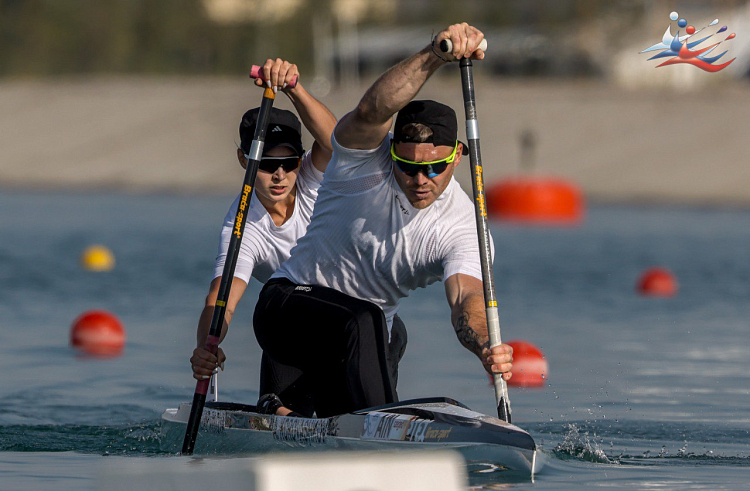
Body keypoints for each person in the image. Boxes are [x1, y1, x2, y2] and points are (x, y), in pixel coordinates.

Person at [252, 23, 513, 419]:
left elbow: (465, 299)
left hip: (354, 344)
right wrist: (436, 55)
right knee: (368, 318)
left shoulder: (464, 226)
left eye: (435, 168)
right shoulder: (361, 161)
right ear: (391, 152)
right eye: (407, 167)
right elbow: (374, 109)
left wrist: (485, 346)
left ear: (458, 156)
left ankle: (288, 408)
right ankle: (380, 429)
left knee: (389, 331)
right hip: (286, 310)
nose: (420, 180)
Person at [189, 59, 410, 417]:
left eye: (289, 163)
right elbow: (222, 300)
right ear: (244, 160)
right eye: (265, 165)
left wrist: (294, 87)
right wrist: (206, 346)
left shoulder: (317, 177)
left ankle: (370, 422)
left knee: (389, 329)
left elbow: (335, 138)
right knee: (285, 315)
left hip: (358, 318)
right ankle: (276, 407)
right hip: (302, 327)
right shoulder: (243, 226)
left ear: (301, 161)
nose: (279, 175)